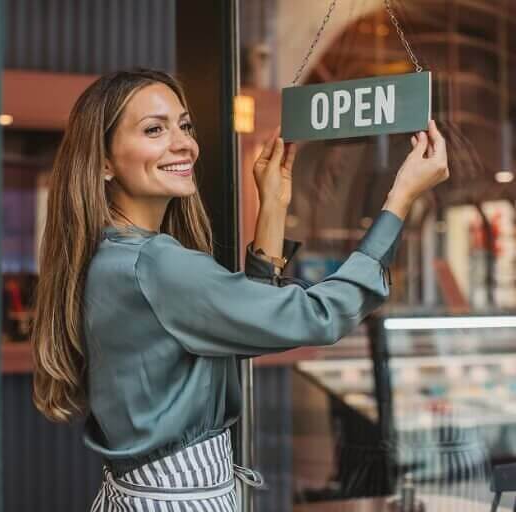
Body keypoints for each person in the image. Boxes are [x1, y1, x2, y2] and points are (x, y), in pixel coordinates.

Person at [30, 69, 449, 511]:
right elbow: (320, 315)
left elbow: (245, 323)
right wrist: (399, 201)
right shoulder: (155, 264)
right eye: (155, 129)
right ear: (103, 162)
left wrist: (272, 207)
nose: (184, 143)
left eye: (185, 125)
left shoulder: (113, 257)